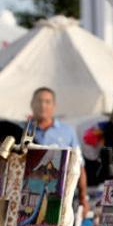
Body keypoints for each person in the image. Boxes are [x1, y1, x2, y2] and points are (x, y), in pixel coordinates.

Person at [30, 87, 90, 218]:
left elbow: (79, 166)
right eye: (39, 101)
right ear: (32, 104)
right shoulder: (23, 130)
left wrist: (83, 198)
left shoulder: (67, 131)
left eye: (47, 101)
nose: (42, 105)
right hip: (29, 194)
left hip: (60, 195)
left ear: (54, 106)